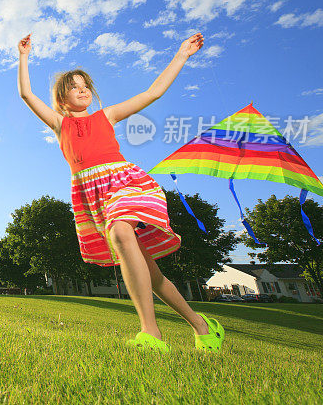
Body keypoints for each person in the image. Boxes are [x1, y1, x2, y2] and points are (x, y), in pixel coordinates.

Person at [17, 32, 225, 353]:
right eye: (73, 85)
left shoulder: (107, 116)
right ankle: (201, 325)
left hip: (125, 184)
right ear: (61, 99)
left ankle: (150, 334)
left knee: (121, 233)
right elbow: (27, 95)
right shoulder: (60, 124)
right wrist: (24, 56)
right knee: (152, 275)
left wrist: (183, 53)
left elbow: (153, 92)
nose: (82, 88)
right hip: (93, 197)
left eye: (84, 84)